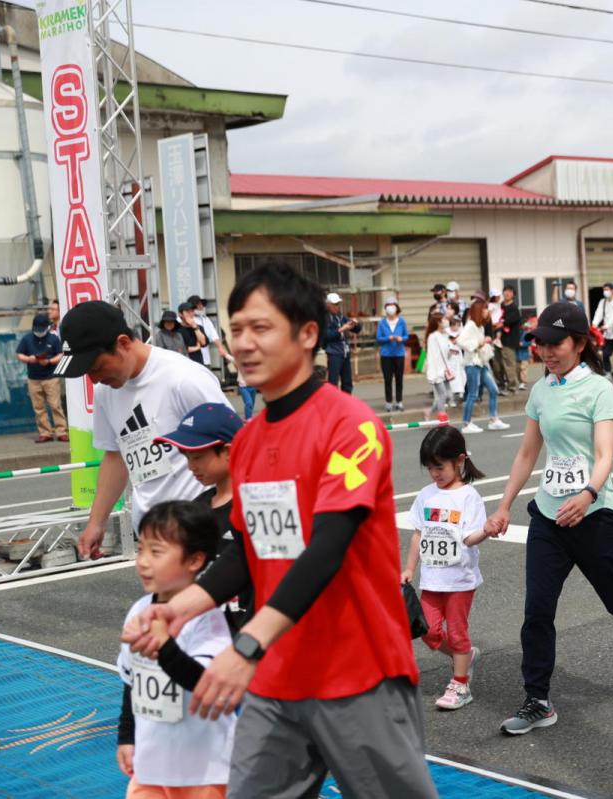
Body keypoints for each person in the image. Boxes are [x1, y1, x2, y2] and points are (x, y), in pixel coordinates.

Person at [122, 262, 439, 799]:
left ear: (308, 333)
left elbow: (326, 550)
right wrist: (179, 609)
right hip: (277, 671)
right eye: (236, 329)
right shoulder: (247, 442)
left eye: (261, 327)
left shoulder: (350, 426)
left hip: (355, 669)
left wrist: (245, 645)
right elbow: (249, 551)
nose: (244, 343)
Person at [485, 301, 613, 736]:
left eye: (555, 343)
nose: (546, 351)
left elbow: (604, 454)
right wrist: (503, 506)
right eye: (540, 343)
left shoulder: (598, 389)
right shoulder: (541, 391)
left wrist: (588, 492)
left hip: (595, 515)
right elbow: (526, 454)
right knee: (537, 609)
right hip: (548, 515)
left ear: (578, 344)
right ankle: (537, 699)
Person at [55, 301, 227, 560]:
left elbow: (234, 446)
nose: (94, 379)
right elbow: (116, 456)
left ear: (123, 343)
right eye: (87, 373)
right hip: (151, 537)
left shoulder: (184, 379)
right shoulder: (105, 392)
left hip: (203, 533)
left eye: (96, 367)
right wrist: (96, 522)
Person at [116, 501, 235, 799]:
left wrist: (165, 646)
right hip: (151, 765)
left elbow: (204, 682)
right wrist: (127, 737)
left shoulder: (209, 618)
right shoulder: (139, 611)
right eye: (140, 549)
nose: (143, 562)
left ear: (194, 560)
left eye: (156, 552)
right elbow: (132, 681)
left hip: (205, 769)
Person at [401, 427, 492, 711]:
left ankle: (460, 684)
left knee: (456, 632)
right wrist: (409, 568)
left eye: (439, 467)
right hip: (432, 579)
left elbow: (469, 537)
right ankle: (464, 655)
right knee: (426, 630)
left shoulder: (468, 497)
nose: (434, 474)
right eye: (430, 468)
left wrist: (486, 531)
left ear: (460, 460)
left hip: (459, 580)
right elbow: (418, 534)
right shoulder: (426, 495)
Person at [155, 403, 251, 632]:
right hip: (204, 632)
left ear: (228, 452)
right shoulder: (196, 509)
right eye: (186, 457)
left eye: (197, 457)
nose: (191, 467)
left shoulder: (255, 506)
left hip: (250, 633)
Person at [457, 299, 510, 434]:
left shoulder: (479, 326)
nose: (487, 311)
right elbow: (460, 341)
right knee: (473, 394)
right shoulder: (470, 325)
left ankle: (493, 420)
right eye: (484, 309)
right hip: (472, 364)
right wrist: (479, 343)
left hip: (481, 363)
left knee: (493, 390)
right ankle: (466, 423)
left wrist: (482, 342)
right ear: (478, 311)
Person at [17, 311, 69, 444]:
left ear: (48, 327)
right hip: (33, 379)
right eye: (37, 329)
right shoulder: (27, 339)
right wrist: (29, 359)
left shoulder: (53, 339)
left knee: (55, 405)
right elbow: (19, 354)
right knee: (38, 407)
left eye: (42, 329)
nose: (39, 332)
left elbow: (61, 354)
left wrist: (49, 361)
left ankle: (61, 432)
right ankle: (45, 433)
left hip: (51, 377)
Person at [323, 292, 360, 394]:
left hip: (345, 352)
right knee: (333, 382)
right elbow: (326, 335)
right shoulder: (325, 318)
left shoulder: (341, 317)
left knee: (347, 383)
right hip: (333, 353)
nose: (337, 307)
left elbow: (357, 329)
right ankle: (332, 403)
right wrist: (341, 329)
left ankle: (346, 401)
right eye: (334, 304)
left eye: (338, 304)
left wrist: (355, 324)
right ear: (328, 305)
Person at [377, 301, 408, 412]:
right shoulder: (382, 323)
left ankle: (399, 401)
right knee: (387, 379)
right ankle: (388, 402)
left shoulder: (402, 322)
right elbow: (379, 338)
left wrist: (401, 339)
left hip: (399, 354)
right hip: (386, 355)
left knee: (399, 378)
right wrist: (388, 338)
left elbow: (406, 336)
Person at [423, 313, 454, 421]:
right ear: (438, 322)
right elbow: (431, 356)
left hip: (445, 370)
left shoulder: (445, 335)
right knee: (443, 395)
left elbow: (446, 352)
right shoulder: (433, 337)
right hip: (436, 371)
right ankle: (442, 417)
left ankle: (429, 411)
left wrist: (451, 351)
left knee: (449, 396)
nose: (446, 320)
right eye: (443, 319)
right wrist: (433, 373)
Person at [187, 295, 230, 369]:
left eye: (202, 304)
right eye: (199, 304)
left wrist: (220, 348)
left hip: (205, 359)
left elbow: (214, 335)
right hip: (189, 360)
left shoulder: (206, 319)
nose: (202, 306)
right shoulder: (183, 320)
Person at [496, 286, 523, 394]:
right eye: (505, 291)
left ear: (513, 295)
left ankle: (512, 387)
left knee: (509, 364)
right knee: (497, 365)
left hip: (509, 341)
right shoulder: (499, 306)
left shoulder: (514, 308)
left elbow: (507, 321)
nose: (507, 293)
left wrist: (499, 324)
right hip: (497, 340)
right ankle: (501, 385)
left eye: (509, 292)